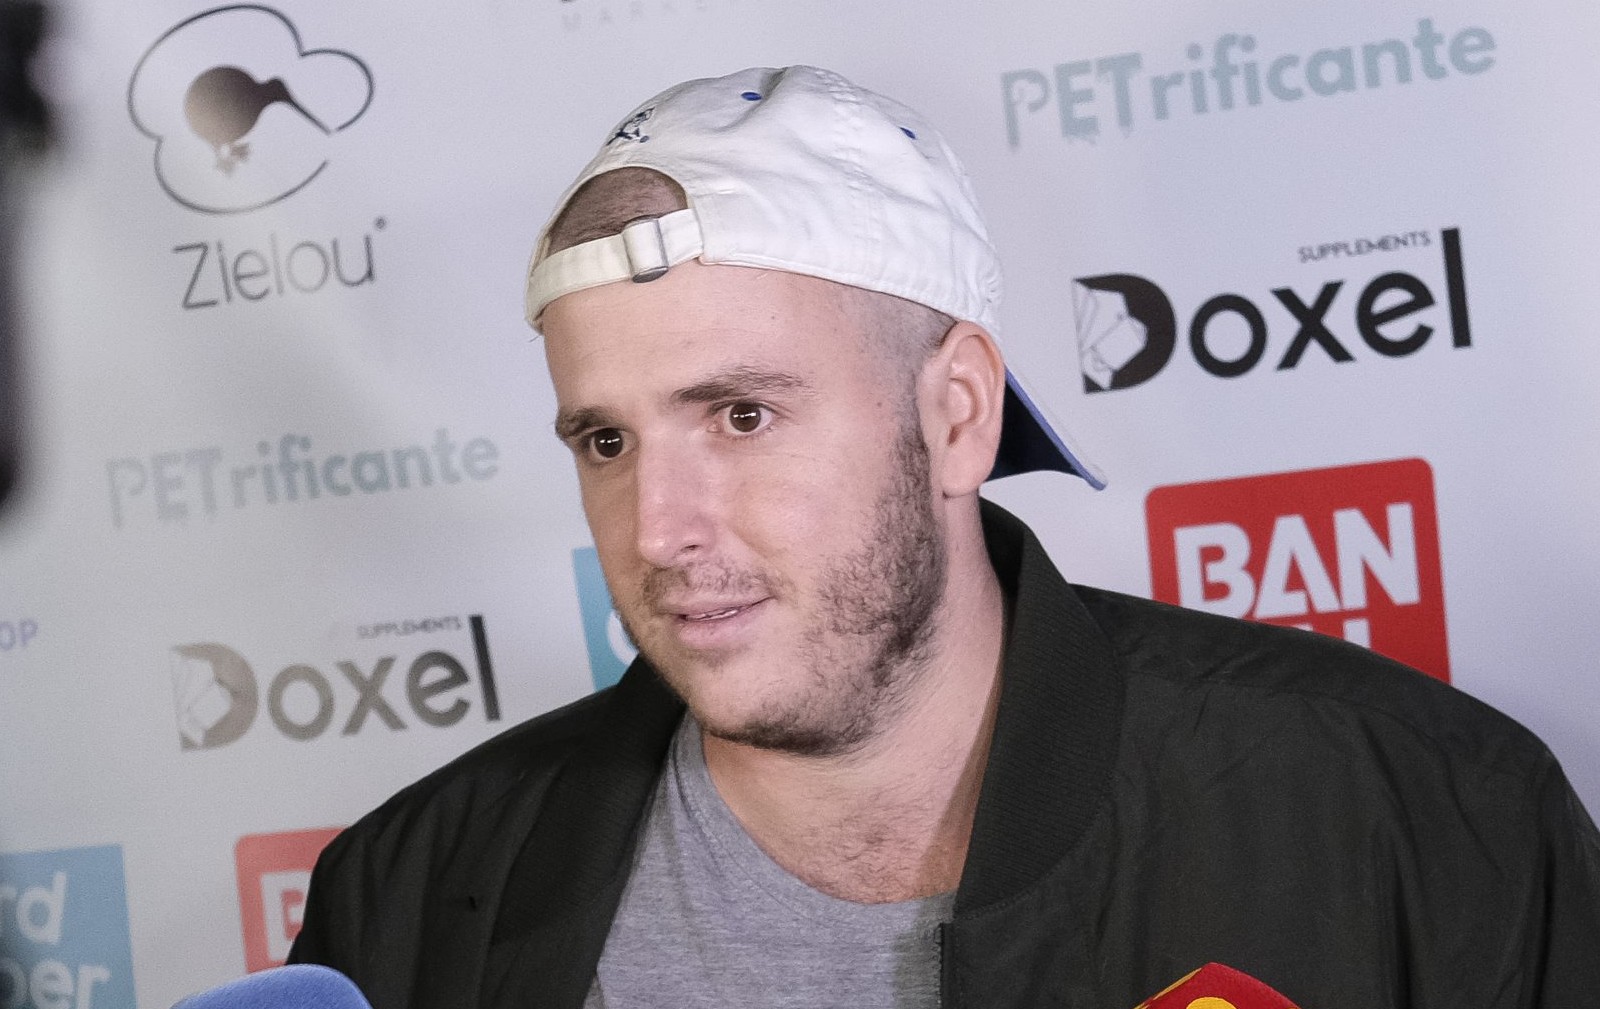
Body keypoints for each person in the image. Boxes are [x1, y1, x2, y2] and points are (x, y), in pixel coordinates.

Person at [289, 65, 1600, 1008]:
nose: (661, 530)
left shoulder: (1419, 813)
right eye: (606, 442)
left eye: (742, 415)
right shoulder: (408, 897)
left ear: (958, 414)